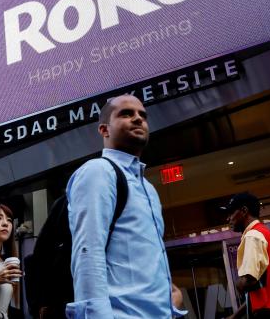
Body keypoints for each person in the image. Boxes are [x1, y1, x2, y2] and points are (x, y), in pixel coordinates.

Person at [65, 94, 187, 318]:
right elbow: (88, 252)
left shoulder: (148, 188)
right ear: (104, 130)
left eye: (142, 115)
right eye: (126, 114)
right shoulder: (98, 172)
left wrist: (168, 300)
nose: (138, 119)